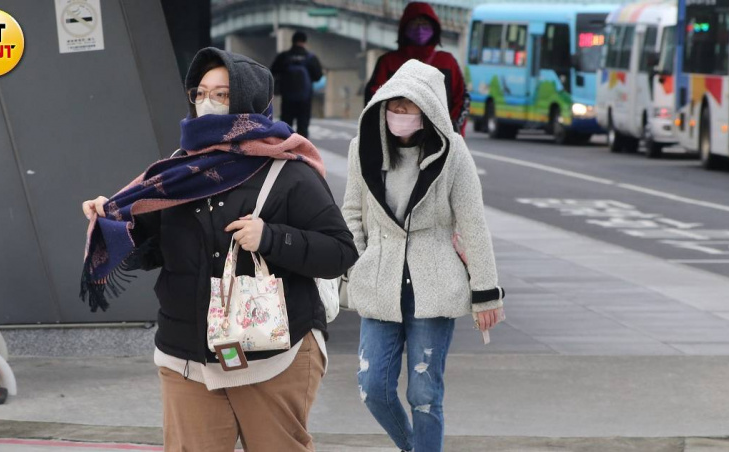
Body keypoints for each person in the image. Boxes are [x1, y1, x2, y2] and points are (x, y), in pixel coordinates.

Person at [80, 48, 357, 452]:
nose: (207, 102)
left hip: (273, 355)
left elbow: (340, 252)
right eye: (201, 92)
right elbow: (152, 248)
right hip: (186, 355)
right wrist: (114, 221)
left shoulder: (287, 170)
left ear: (249, 101)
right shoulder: (176, 171)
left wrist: (271, 238)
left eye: (223, 94)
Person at [343, 59, 505, 452]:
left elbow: (473, 222)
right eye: (392, 105)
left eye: (408, 106)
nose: (398, 113)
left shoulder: (454, 153)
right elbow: (352, 212)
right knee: (373, 388)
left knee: (424, 392)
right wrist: (359, 265)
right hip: (380, 282)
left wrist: (486, 291)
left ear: (429, 108)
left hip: (433, 286)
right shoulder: (362, 147)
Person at [364, 2, 470, 135]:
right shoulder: (388, 62)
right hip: (397, 138)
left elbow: (462, 98)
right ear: (404, 28)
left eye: (425, 24)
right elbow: (373, 99)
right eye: (415, 24)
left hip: (439, 138)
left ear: (434, 28)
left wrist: (452, 130)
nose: (420, 29)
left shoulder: (447, 62)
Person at [271, 31, 323, 138]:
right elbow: (318, 76)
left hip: (287, 98)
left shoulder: (284, 57)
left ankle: (286, 151)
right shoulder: (311, 58)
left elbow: (273, 71)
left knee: (286, 127)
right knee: (303, 127)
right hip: (305, 99)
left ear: (292, 41)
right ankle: (301, 151)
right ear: (305, 42)